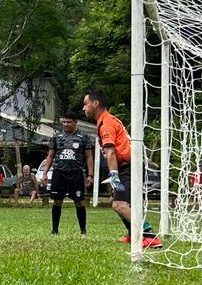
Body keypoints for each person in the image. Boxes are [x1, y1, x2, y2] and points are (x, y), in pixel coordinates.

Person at [84, 89, 159, 247]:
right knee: (116, 200)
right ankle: (133, 234)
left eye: (86, 104)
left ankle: (149, 236)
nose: (84, 108)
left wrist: (114, 176)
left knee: (119, 204)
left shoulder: (106, 124)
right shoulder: (109, 119)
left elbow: (110, 152)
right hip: (129, 165)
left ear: (95, 103)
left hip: (128, 167)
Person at [41, 111, 93, 236]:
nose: (66, 124)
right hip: (59, 172)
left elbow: (89, 157)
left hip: (76, 173)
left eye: (68, 122)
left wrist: (90, 175)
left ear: (75, 122)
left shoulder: (83, 137)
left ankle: (83, 230)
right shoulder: (57, 137)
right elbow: (51, 156)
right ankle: (54, 230)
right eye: (63, 122)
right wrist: (45, 173)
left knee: (79, 201)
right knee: (57, 201)